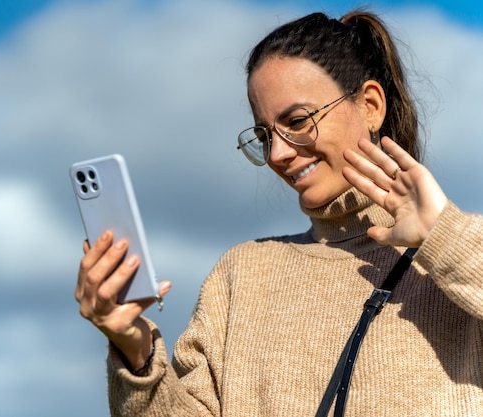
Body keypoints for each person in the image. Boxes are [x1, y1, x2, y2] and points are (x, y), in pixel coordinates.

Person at [75, 10, 483, 416]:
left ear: (371, 105)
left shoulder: (458, 258)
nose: (278, 153)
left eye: (298, 120)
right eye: (265, 134)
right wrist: (136, 352)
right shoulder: (242, 275)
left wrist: (442, 236)